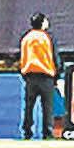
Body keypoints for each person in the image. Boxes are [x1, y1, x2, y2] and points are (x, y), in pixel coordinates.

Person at [19, 12, 58, 141]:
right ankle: (47, 133)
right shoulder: (47, 38)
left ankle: (27, 132)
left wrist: (24, 73)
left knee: (29, 106)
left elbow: (22, 57)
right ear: (42, 23)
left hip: (30, 76)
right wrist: (57, 74)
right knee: (47, 107)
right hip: (46, 76)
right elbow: (54, 57)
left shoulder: (26, 38)